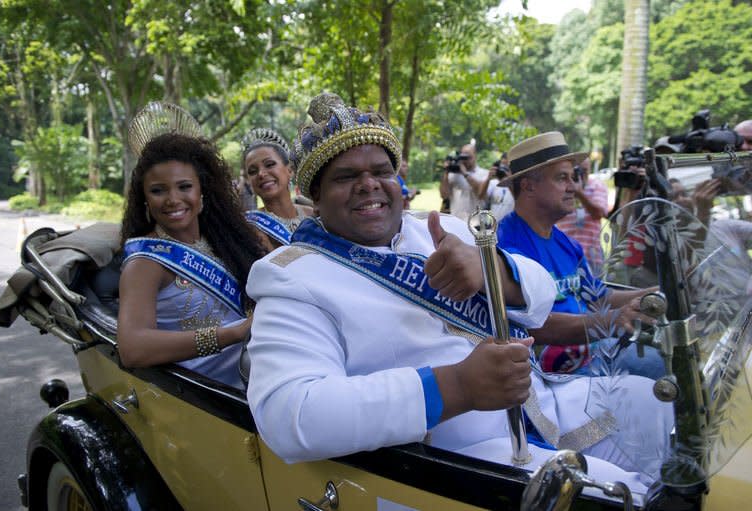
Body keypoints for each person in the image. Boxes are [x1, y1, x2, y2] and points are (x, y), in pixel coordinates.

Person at [246, 94, 672, 491]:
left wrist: (494, 272)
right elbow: (291, 415)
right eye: (345, 177)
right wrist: (457, 386)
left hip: (542, 405)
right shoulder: (290, 277)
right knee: (620, 492)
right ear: (314, 195)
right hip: (457, 456)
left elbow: (540, 300)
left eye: (381, 171)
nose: (369, 184)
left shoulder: (440, 227)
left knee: (656, 405)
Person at [117, 103, 267, 389]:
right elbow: (132, 348)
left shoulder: (225, 241)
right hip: (207, 398)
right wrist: (233, 334)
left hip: (259, 372)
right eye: (158, 191)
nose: (173, 199)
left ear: (202, 193)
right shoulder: (145, 262)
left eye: (184, 187)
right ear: (145, 200)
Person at [498, 132, 664, 378]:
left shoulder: (566, 243)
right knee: (658, 371)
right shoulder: (507, 246)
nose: (573, 187)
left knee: (668, 364)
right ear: (528, 186)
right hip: (549, 377)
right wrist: (608, 321)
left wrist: (654, 293)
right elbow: (534, 325)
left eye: (573, 177)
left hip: (591, 354)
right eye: (562, 178)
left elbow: (597, 296)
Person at [242, 128, 314, 249]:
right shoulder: (251, 227)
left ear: (290, 170)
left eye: (269, 164)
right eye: (252, 171)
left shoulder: (312, 214)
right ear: (249, 181)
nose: (261, 174)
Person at [554, 157, 608, 268]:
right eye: (578, 170)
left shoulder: (597, 186)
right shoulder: (562, 188)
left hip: (592, 255)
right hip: (565, 253)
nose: (581, 175)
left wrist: (580, 194)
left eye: (584, 171)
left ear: (590, 169)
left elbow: (599, 213)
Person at [439, 143, 489, 220]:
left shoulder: (484, 174)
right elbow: (444, 195)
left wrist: (465, 173)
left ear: (475, 156)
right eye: (463, 156)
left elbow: (480, 194)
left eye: (468, 156)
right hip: (457, 221)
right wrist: (446, 172)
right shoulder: (454, 175)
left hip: (476, 224)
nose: (465, 160)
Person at [475, 153, 515, 220]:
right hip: (494, 227)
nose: (503, 169)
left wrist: (508, 180)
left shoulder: (517, 184)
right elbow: (480, 196)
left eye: (506, 167)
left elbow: (518, 199)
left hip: (510, 226)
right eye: (502, 166)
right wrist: (488, 179)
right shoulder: (493, 183)